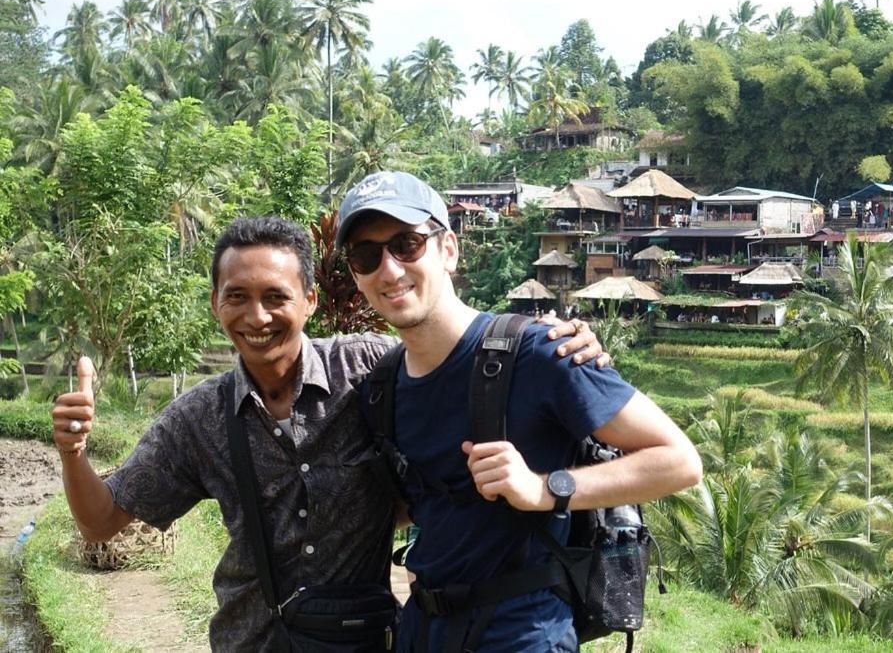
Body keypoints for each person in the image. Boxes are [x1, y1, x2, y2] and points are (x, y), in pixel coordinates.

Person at [50, 216, 604, 651]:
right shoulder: (196, 418)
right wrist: (73, 454)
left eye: (275, 297)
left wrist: (549, 343)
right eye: (236, 296)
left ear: (310, 301)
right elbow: (102, 522)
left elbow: (460, 353)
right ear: (216, 302)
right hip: (252, 642)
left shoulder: (370, 368)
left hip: (364, 638)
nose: (256, 316)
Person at [336, 171, 703, 653]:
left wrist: (544, 487)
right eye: (367, 254)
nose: (388, 269)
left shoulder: (540, 352)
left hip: (521, 632)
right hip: (422, 628)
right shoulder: (380, 388)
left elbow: (679, 462)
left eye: (406, 244)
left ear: (448, 249)